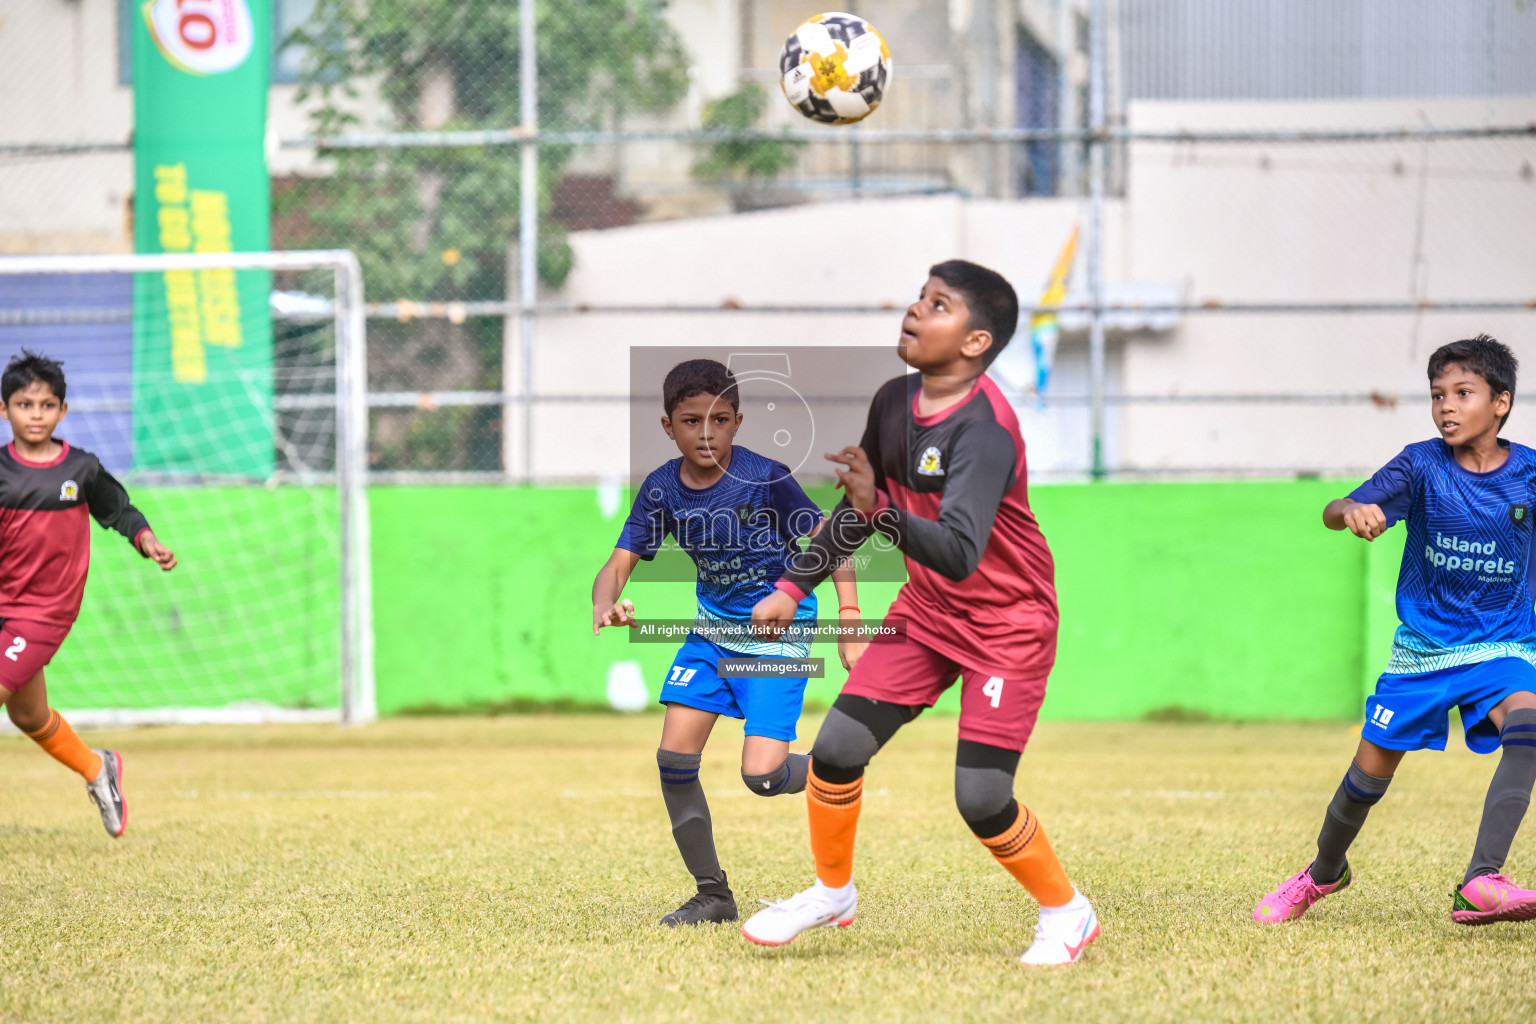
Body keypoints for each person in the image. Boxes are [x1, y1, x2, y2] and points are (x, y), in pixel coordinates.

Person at [739, 260, 1099, 966]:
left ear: (975, 342)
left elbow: (960, 550)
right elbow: (857, 512)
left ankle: (1067, 912)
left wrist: (881, 510)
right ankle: (832, 891)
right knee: (837, 753)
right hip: (930, 613)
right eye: (918, 298)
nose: (915, 311)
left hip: (1008, 625)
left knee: (983, 798)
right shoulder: (894, 402)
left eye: (938, 306)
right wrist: (791, 587)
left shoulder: (985, 430)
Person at [1254, 334, 1536, 926]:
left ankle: (1481, 880)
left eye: (1463, 393)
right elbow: (1335, 509)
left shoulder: (1530, 476)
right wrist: (1350, 510)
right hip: (1425, 650)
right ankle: (1323, 873)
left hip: (1504, 645)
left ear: (1501, 402)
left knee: (1529, 723)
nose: (1447, 408)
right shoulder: (1421, 463)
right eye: (1438, 396)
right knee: (1366, 778)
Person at [592, 358, 864, 926]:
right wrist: (605, 601)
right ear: (669, 426)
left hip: (775, 638)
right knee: (673, 761)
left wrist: (851, 618)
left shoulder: (766, 477)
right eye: (691, 421)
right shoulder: (661, 487)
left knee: (763, 777)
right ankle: (713, 894)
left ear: (737, 421)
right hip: (711, 635)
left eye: (719, 420)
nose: (706, 434)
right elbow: (616, 565)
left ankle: (835, 770)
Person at [0, 350, 177, 838]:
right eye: (23, 404)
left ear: (62, 411)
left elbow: (119, 510)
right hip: (2, 606)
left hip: (43, 614)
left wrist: (147, 540)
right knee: (30, 715)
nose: (35, 414)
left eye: (46, 405)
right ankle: (99, 769)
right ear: (4, 410)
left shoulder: (81, 469)